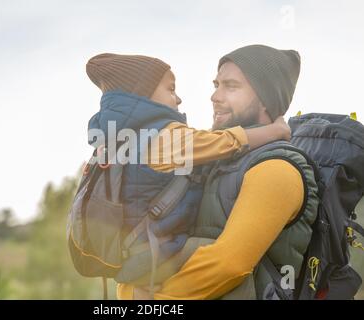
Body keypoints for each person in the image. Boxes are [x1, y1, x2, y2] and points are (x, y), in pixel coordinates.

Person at [117, 45, 320, 300]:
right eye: (216, 85)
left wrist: (143, 298)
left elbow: (229, 265)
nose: (215, 96)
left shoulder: (277, 167)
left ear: (267, 98)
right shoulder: (217, 161)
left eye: (231, 86)